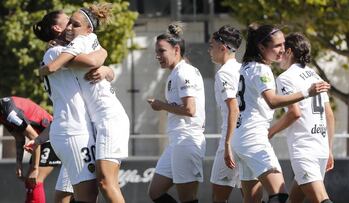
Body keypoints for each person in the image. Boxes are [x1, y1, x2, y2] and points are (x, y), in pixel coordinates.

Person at [225, 24, 331, 203]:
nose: (283, 50)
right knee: (279, 195)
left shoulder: (247, 66)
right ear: (261, 47)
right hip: (254, 139)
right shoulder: (261, 69)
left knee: (252, 199)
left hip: (241, 139)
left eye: (283, 44)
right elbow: (272, 101)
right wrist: (307, 92)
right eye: (277, 46)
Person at [38, 4, 130, 203]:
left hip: (105, 120)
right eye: (68, 21)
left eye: (74, 23)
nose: (70, 26)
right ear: (57, 28)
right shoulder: (68, 47)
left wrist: (42, 70)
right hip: (83, 127)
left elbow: (58, 65)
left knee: (103, 185)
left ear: (89, 29)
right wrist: (104, 63)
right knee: (87, 190)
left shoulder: (71, 47)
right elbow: (97, 57)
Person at [268, 33, 334, 203]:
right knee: (294, 200)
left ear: (289, 51)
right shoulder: (315, 75)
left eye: (282, 50)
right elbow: (329, 115)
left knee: (321, 200)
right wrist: (329, 150)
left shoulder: (285, 78)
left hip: (305, 150)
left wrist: (270, 131)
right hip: (320, 148)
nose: (279, 55)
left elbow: (294, 113)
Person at [147, 22, 206, 203]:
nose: (158, 55)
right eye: (156, 51)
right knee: (155, 192)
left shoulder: (184, 72)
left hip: (187, 140)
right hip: (176, 142)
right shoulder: (176, 72)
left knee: (187, 199)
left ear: (176, 49)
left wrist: (161, 105)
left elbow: (190, 110)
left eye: (162, 51)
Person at [208, 25, 262, 203]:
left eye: (212, 46)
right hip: (250, 138)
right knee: (251, 198)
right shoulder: (244, 69)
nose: (210, 50)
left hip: (232, 139)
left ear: (222, 48)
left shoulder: (223, 73)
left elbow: (233, 108)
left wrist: (228, 144)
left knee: (218, 198)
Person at [0, 96, 73, 203]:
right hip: (41, 139)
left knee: (35, 180)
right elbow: (19, 138)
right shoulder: (3, 113)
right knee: (30, 182)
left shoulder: (8, 112)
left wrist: (35, 168)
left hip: (51, 135)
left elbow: (34, 138)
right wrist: (19, 163)